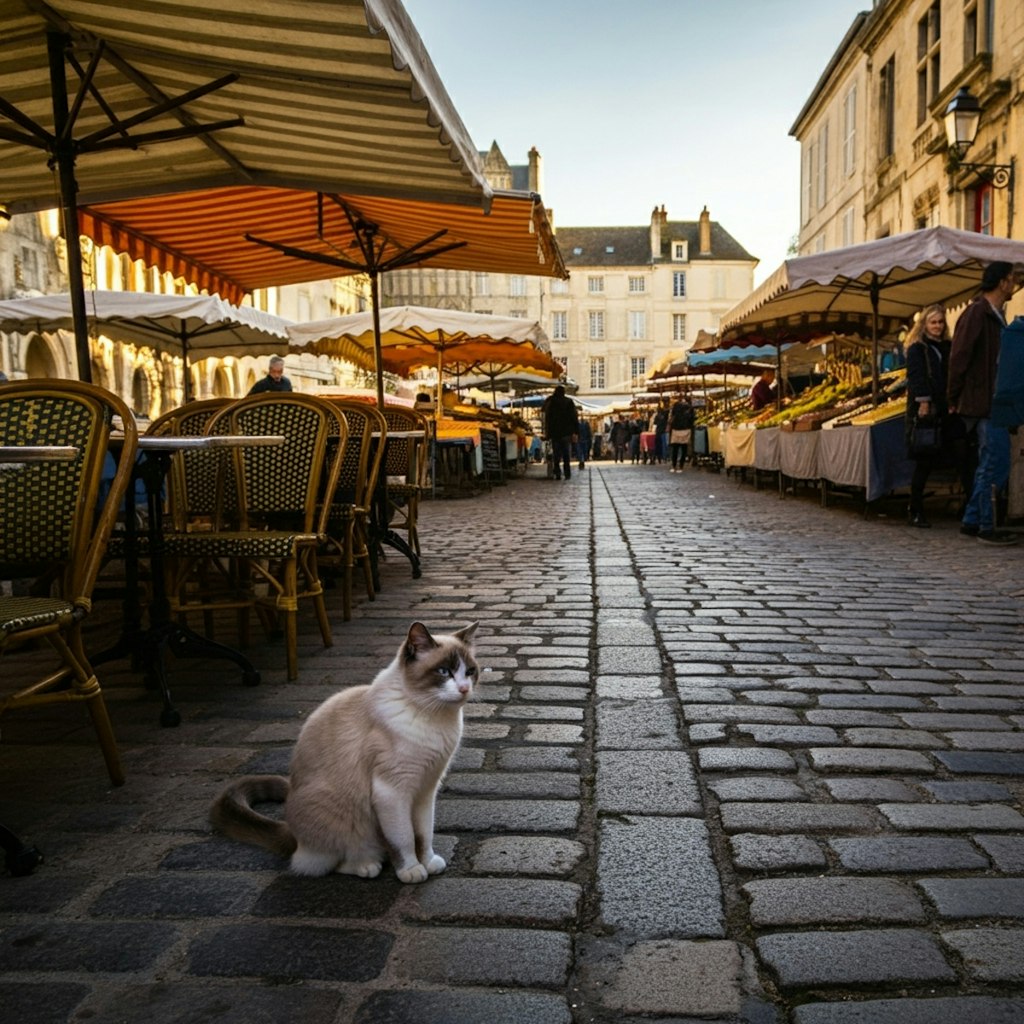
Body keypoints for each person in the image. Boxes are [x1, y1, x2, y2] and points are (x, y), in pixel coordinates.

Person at [947, 260, 1020, 544]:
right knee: (995, 463)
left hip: (994, 402)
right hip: (983, 403)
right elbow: (959, 358)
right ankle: (986, 526)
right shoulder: (977, 313)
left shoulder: (995, 314)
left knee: (991, 462)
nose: (1014, 284)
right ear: (1002, 282)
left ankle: (972, 519)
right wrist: (953, 398)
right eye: (1012, 279)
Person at [903, 304, 950, 528]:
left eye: (940, 322)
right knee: (924, 460)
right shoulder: (917, 348)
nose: (937, 326)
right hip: (925, 410)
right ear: (925, 324)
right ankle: (915, 507)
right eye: (933, 322)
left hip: (944, 408)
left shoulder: (947, 346)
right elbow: (917, 377)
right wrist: (923, 402)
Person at [544, 384, 579, 480]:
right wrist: (576, 431)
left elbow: (547, 418)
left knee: (556, 454)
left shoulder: (551, 402)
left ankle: (557, 472)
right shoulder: (569, 402)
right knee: (566, 454)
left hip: (555, 432)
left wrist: (547, 432)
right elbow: (574, 417)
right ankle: (567, 473)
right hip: (566, 432)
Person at [668, 394, 694, 471]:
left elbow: (671, 418)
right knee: (684, 449)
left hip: (676, 429)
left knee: (675, 449)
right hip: (686, 430)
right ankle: (681, 466)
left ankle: (674, 466)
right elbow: (692, 419)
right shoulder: (689, 407)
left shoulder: (675, 406)